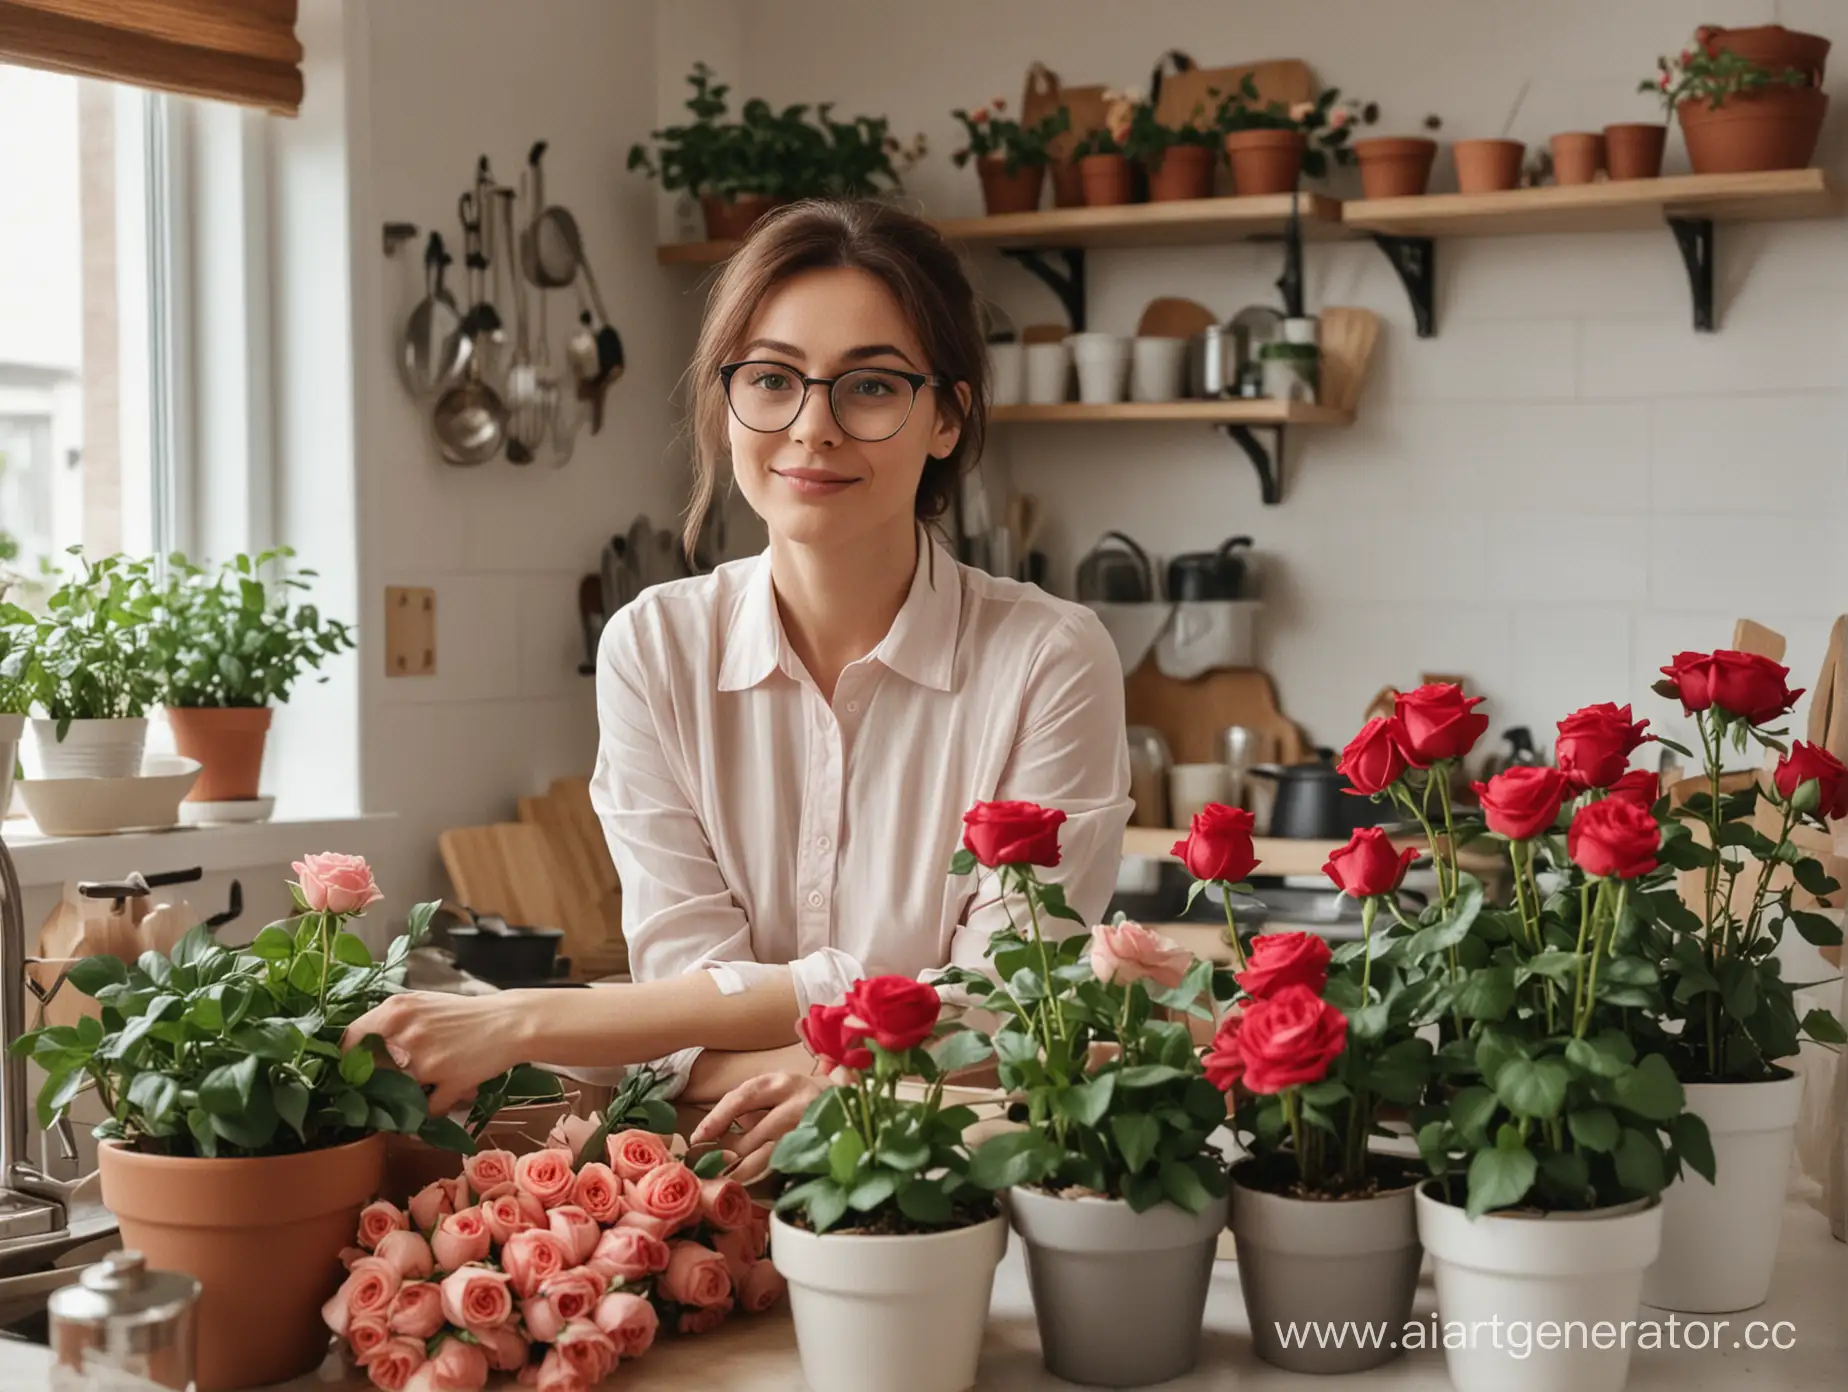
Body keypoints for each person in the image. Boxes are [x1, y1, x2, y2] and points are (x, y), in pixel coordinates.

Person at [346, 200, 1131, 1179]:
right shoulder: (655, 649)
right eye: (771, 379)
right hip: (715, 1192)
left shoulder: (1049, 659)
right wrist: (849, 1048)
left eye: (872, 386)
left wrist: (534, 1018)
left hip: (961, 1198)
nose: (814, 428)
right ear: (727, 406)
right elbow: (680, 1011)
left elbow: (1009, 1005)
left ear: (947, 418)